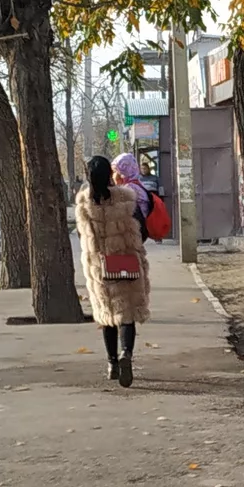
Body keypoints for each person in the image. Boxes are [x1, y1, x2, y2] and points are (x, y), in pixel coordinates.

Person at [76, 154, 150, 387]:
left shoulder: (84, 203)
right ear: (110, 173)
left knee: (106, 314)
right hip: (126, 261)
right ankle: (126, 352)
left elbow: (81, 235)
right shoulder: (126, 198)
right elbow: (142, 229)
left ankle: (112, 364)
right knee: (127, 313)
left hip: (100, 266)